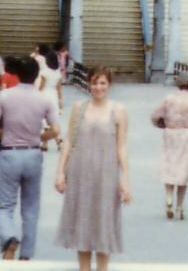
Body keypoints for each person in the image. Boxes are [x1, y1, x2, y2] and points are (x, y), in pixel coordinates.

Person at [55, 65, 131, 269]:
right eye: (95, 82)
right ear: (88, 83)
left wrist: (125, 179)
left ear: (109, 85)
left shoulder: (119, 110)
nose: (98, 87)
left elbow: (122, 146)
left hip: (106, 174)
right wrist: (60, 171)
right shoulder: (79, 108)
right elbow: (69, 141)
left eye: (103, 83)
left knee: (104, 223)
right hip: (80, 173)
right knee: (83, 223)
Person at [0, 55, 61, 260]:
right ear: (37, 75)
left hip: (10, 152)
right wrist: (41, 137)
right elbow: (56, 130)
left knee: (5, 205)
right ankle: (26, 255)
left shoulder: (4, 96)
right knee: (31, 207)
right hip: (33, 152)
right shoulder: (45, 99)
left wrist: (3, 135)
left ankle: (9, 237)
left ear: (17, 74)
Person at [150, 72, 188, 220]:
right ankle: (180, 206)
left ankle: (169, 199)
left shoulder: (168, 99)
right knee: (185, 169)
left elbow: (156, 115)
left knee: (170, 166)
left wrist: (162, 124)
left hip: (171, 133)